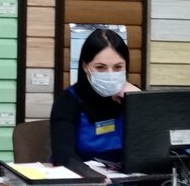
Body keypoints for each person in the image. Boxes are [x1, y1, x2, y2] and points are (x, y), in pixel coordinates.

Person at [49, 28, 140, 167]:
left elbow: (153, 146)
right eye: (101, 68)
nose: (110, 74)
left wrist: (138, 102)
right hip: (81, 176)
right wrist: (94, 177)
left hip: (129, 176)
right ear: (86, 66)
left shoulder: (131, 95)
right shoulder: (67, 101)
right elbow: (64, 156)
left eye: (118, 67)